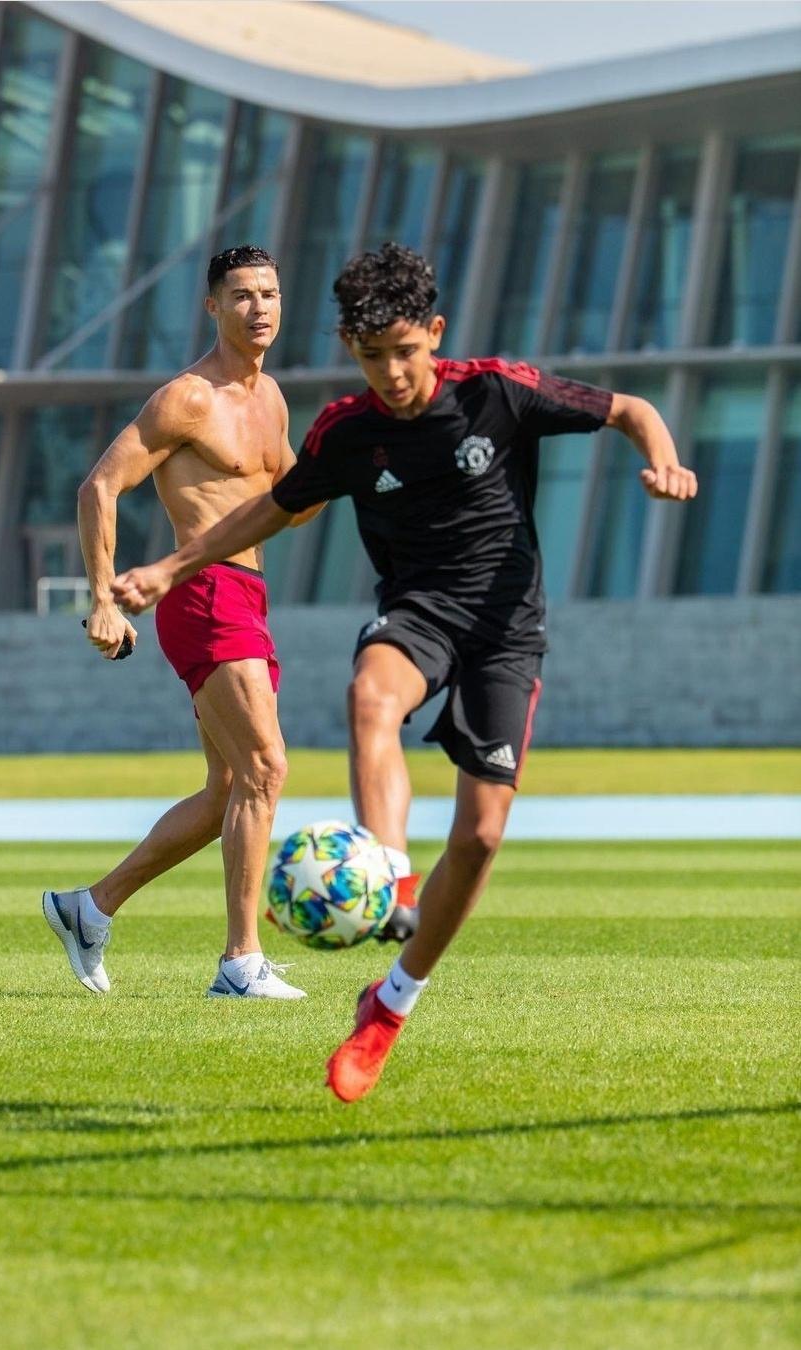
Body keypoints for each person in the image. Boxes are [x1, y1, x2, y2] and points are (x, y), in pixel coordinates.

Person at [111, 241, 698, 1098]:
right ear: (352, 348)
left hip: (504, 630)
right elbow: (270, 510)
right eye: (370, 355)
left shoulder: (495, 391)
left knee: (483, 837)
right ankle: (386, 875)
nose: (390, 373)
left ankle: (388, 1005)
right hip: (415, 611)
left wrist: (665, 459)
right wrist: (169, 568)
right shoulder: (348, 432)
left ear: (435, 333)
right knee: (368, 697)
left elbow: (628, 407)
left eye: (405, 351)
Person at [42, 244, 323, 1001]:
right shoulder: (188, 399)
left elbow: (292, 504)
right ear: (212, 307)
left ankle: (89, 907)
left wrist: (359, 464)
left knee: (228, 786)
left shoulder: (272, 402)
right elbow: (98, 487)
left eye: (267, 293)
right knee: (266, 770)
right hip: (202, 597)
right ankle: (239, 964)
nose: (257, 307)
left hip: (249, 596)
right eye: (239, 296)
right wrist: (101, 597)